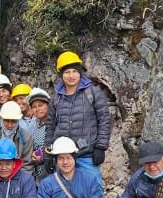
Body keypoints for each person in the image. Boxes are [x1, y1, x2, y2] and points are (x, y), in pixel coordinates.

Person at [45, 51, 112, 182]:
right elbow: (50, 127)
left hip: (87, 155)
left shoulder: (93, 93)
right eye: (67, 72)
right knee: (63, 192)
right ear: (61, 74)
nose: (71, 76)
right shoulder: (56, 98)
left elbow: (104, 120)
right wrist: (48, 154)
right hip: (63, 155)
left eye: (75, 71)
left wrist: (100, 147)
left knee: (93, 190)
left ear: (80, 72)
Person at [0, 101, 34, 175]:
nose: (10, 125)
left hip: (16, 176)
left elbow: (27, 164)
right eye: (7, 121)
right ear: (1, 118)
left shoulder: (26, 136)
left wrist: (20, 180)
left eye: (14, 121)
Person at [24, 88, 52, 180]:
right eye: (34, 107)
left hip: (51, 169)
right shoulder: (32, 125)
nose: (37, 109)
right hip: (37, 172)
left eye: (41, 105)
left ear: (48, 105)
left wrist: (43, 156)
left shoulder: (55, 123)